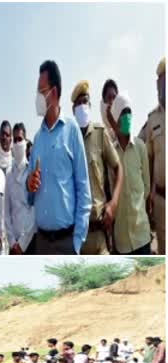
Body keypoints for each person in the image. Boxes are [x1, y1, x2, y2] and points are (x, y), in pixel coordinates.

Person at [26, 60, 92, 254]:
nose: (37, 97)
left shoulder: (72, 132)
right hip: (42, 243)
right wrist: (29, 186)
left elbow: (83, 191)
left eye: (41, 90)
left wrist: (77, 242)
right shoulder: (37, 139)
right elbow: (30, 196)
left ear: (53, 93)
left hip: (67, 242)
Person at [71, 80, 123, 255]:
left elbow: (118, 168)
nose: (82, 106)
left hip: (100, 232)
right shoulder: (69, 141)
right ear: (73, 111)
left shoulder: (101, 134)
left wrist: (113, 203)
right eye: (78, 104)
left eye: (85, 102)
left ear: (90, 105)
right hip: (77, 235)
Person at [111, 94, 151, 255]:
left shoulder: (140, 147)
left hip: (142, 235)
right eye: (123, 112)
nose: (127, 116)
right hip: (122, 240)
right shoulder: (111, 153)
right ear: (115, 117)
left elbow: (146, 185)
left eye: (129, 112)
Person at [139, 58, 165, 254]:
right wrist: (149, 194)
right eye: (161, 81)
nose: (163, 86)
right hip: (161, 199)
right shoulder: (152, 119)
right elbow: (147, 158)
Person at [5, 122, 37, 254]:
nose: (17, 143)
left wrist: (22, 244)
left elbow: (35, 212)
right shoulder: (8, 175)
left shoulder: (32, 172)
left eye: (20, 139)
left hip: (31, 243)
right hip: (13, 245)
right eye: (15, 139)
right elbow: (6, 212)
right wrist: (12, 242)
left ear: (25, 142)